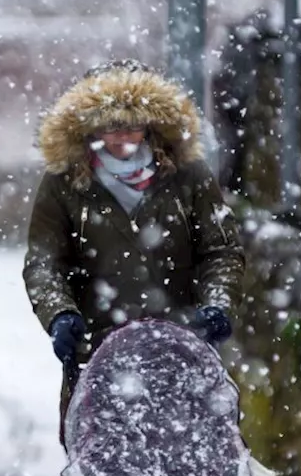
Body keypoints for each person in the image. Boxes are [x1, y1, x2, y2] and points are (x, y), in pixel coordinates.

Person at [21, 60, 245, 444]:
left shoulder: (188, 176)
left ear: (153, 126)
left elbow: (220, 249)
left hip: (181, 354)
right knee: (109, 475)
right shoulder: (64, 183)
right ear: (90, 127)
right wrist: (60, 314)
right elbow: (45, 262)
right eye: (110, 127)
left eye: (132, 125)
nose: (121, 137)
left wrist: (217, 305)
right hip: (98, 359)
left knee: (183, 471)